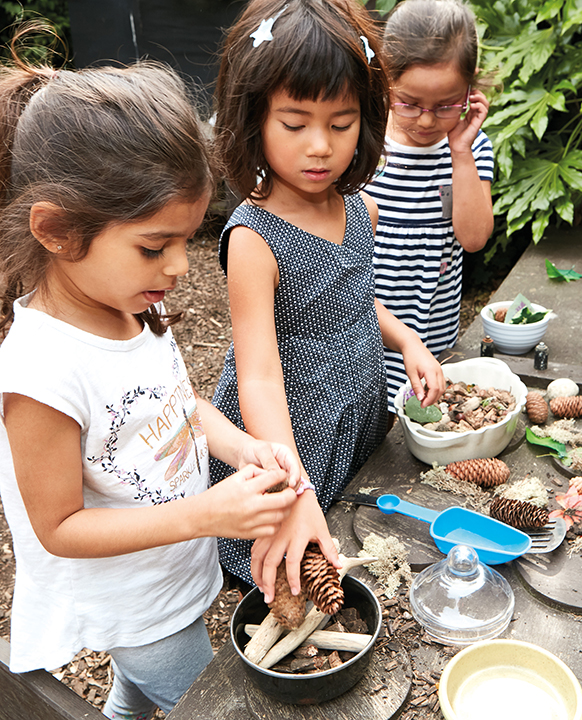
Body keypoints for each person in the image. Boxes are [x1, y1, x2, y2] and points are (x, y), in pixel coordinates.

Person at [0, 35, 303, 720]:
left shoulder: (131, 303)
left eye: (186, 241)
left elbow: (176, 404)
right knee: (222, 707)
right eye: (153, 246)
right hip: (134, 608)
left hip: (173, 570)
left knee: (133, 701)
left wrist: (238, 446)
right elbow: (58, 527)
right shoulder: (41, 370)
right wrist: (206, 514)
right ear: (55, 230)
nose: (179, 270)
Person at [210, 0, 445, 600]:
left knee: (345, 524)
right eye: (295, 124)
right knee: (287, 566)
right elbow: (257, 378)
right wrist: (292, 486)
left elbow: (358, 299)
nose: (320, 146)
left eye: (340, 125)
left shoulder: (359, 208)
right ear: (253, 119)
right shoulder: (253, 238)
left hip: (352, 410)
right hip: (290, 429)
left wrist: (407, 340)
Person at [365, 0, 495, 410]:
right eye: (409, 103)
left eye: (445, 106)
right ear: (384, 79)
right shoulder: (362, 147)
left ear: (470, 93)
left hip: (435, 339)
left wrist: (460, 153)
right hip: (367, 333)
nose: (425, 121)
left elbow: (473, 239)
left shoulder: (473, 153)